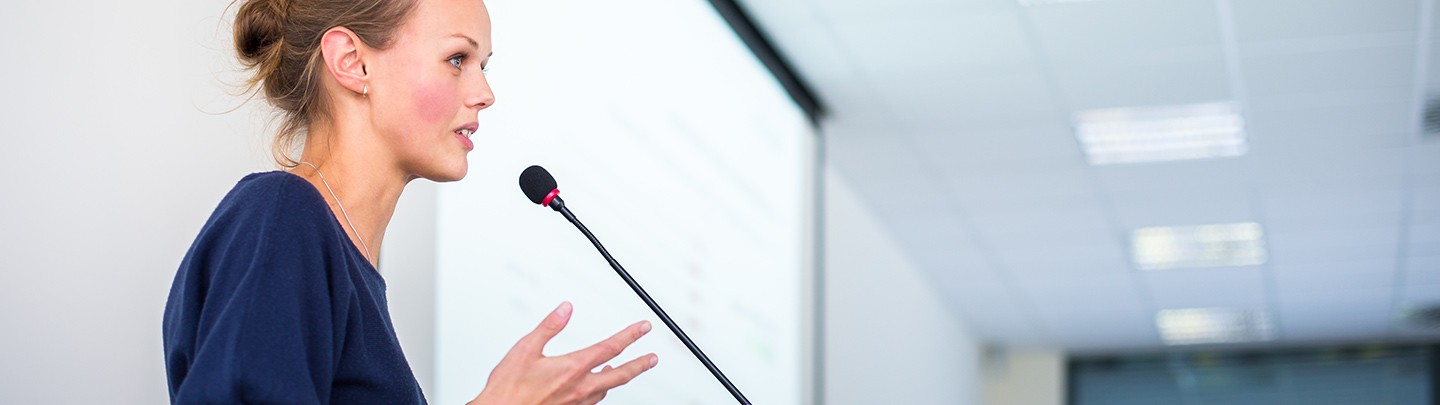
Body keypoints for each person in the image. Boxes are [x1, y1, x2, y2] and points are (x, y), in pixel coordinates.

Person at [161, 0, 658, 403]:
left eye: (482, 66)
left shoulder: (346, 265)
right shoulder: (280, 216)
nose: (485, 93)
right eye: (457, 59)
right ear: (353, 63)